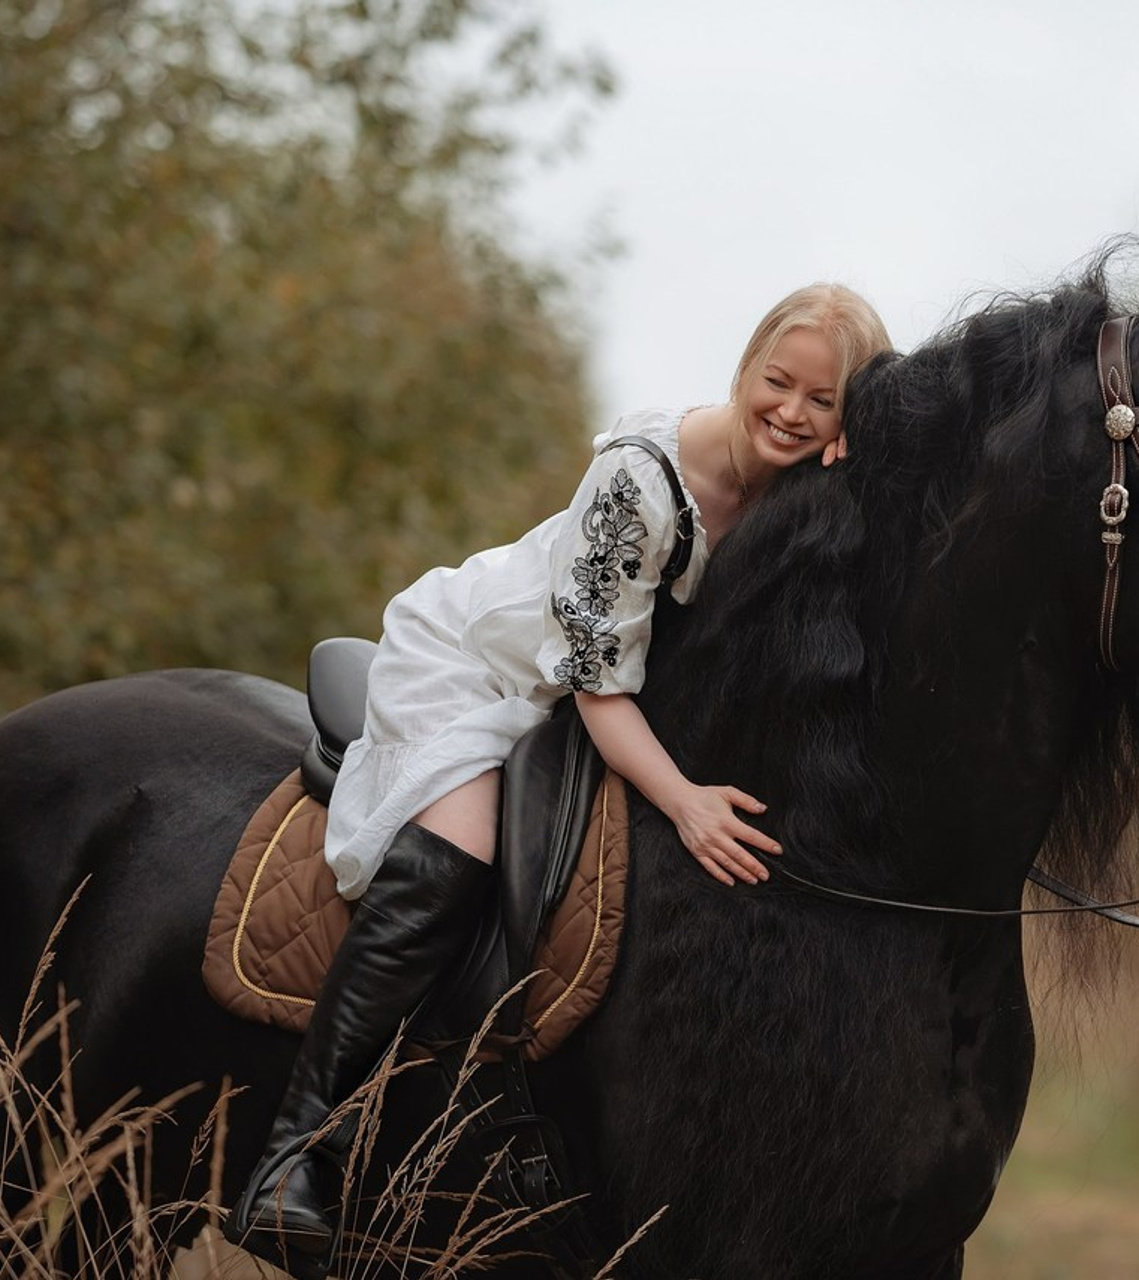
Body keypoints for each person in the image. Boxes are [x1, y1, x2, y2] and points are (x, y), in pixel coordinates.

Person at [226, 283, 892, 1268]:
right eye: (776, 381)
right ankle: (295, 1143)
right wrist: (685, 802)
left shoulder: (807, 482)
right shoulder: (640, 480)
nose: (789, 412)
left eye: (823, 400)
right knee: (458, 846)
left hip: (615, 693)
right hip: (489, 665)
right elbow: (592, 683)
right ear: (745, 369)